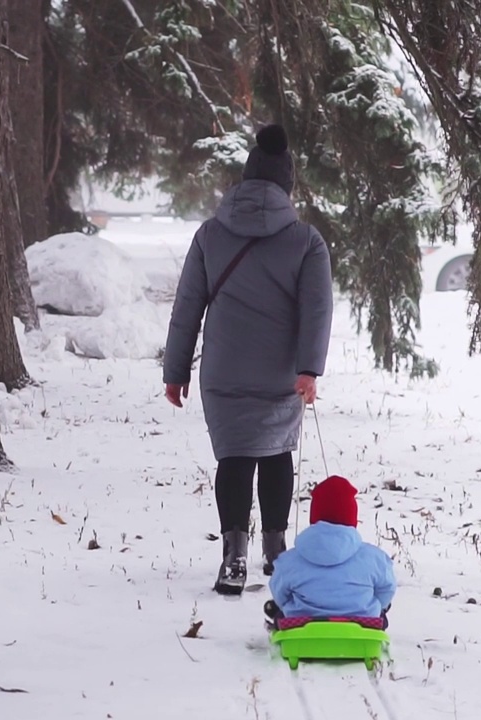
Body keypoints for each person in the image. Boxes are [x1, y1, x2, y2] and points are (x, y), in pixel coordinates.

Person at [162, 124, 334, 595]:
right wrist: (308, 369)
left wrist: (176, 371)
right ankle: (276, 553)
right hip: (280, 370)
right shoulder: (306, 241)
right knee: (277, 454)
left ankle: (233, 557)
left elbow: (187, 307)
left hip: (223, 370)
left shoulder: (209, 235)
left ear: (245, 179)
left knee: (234, 457)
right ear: (287, 187)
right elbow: (317, 310)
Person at [266, 475, 396, 627]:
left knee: (280, 614)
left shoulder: (290, 560)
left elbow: (279, 593)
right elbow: (387, 589)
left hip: (302, 629)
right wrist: (374, 606)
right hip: (362, 628)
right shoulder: (373, 557)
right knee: (381, 616)